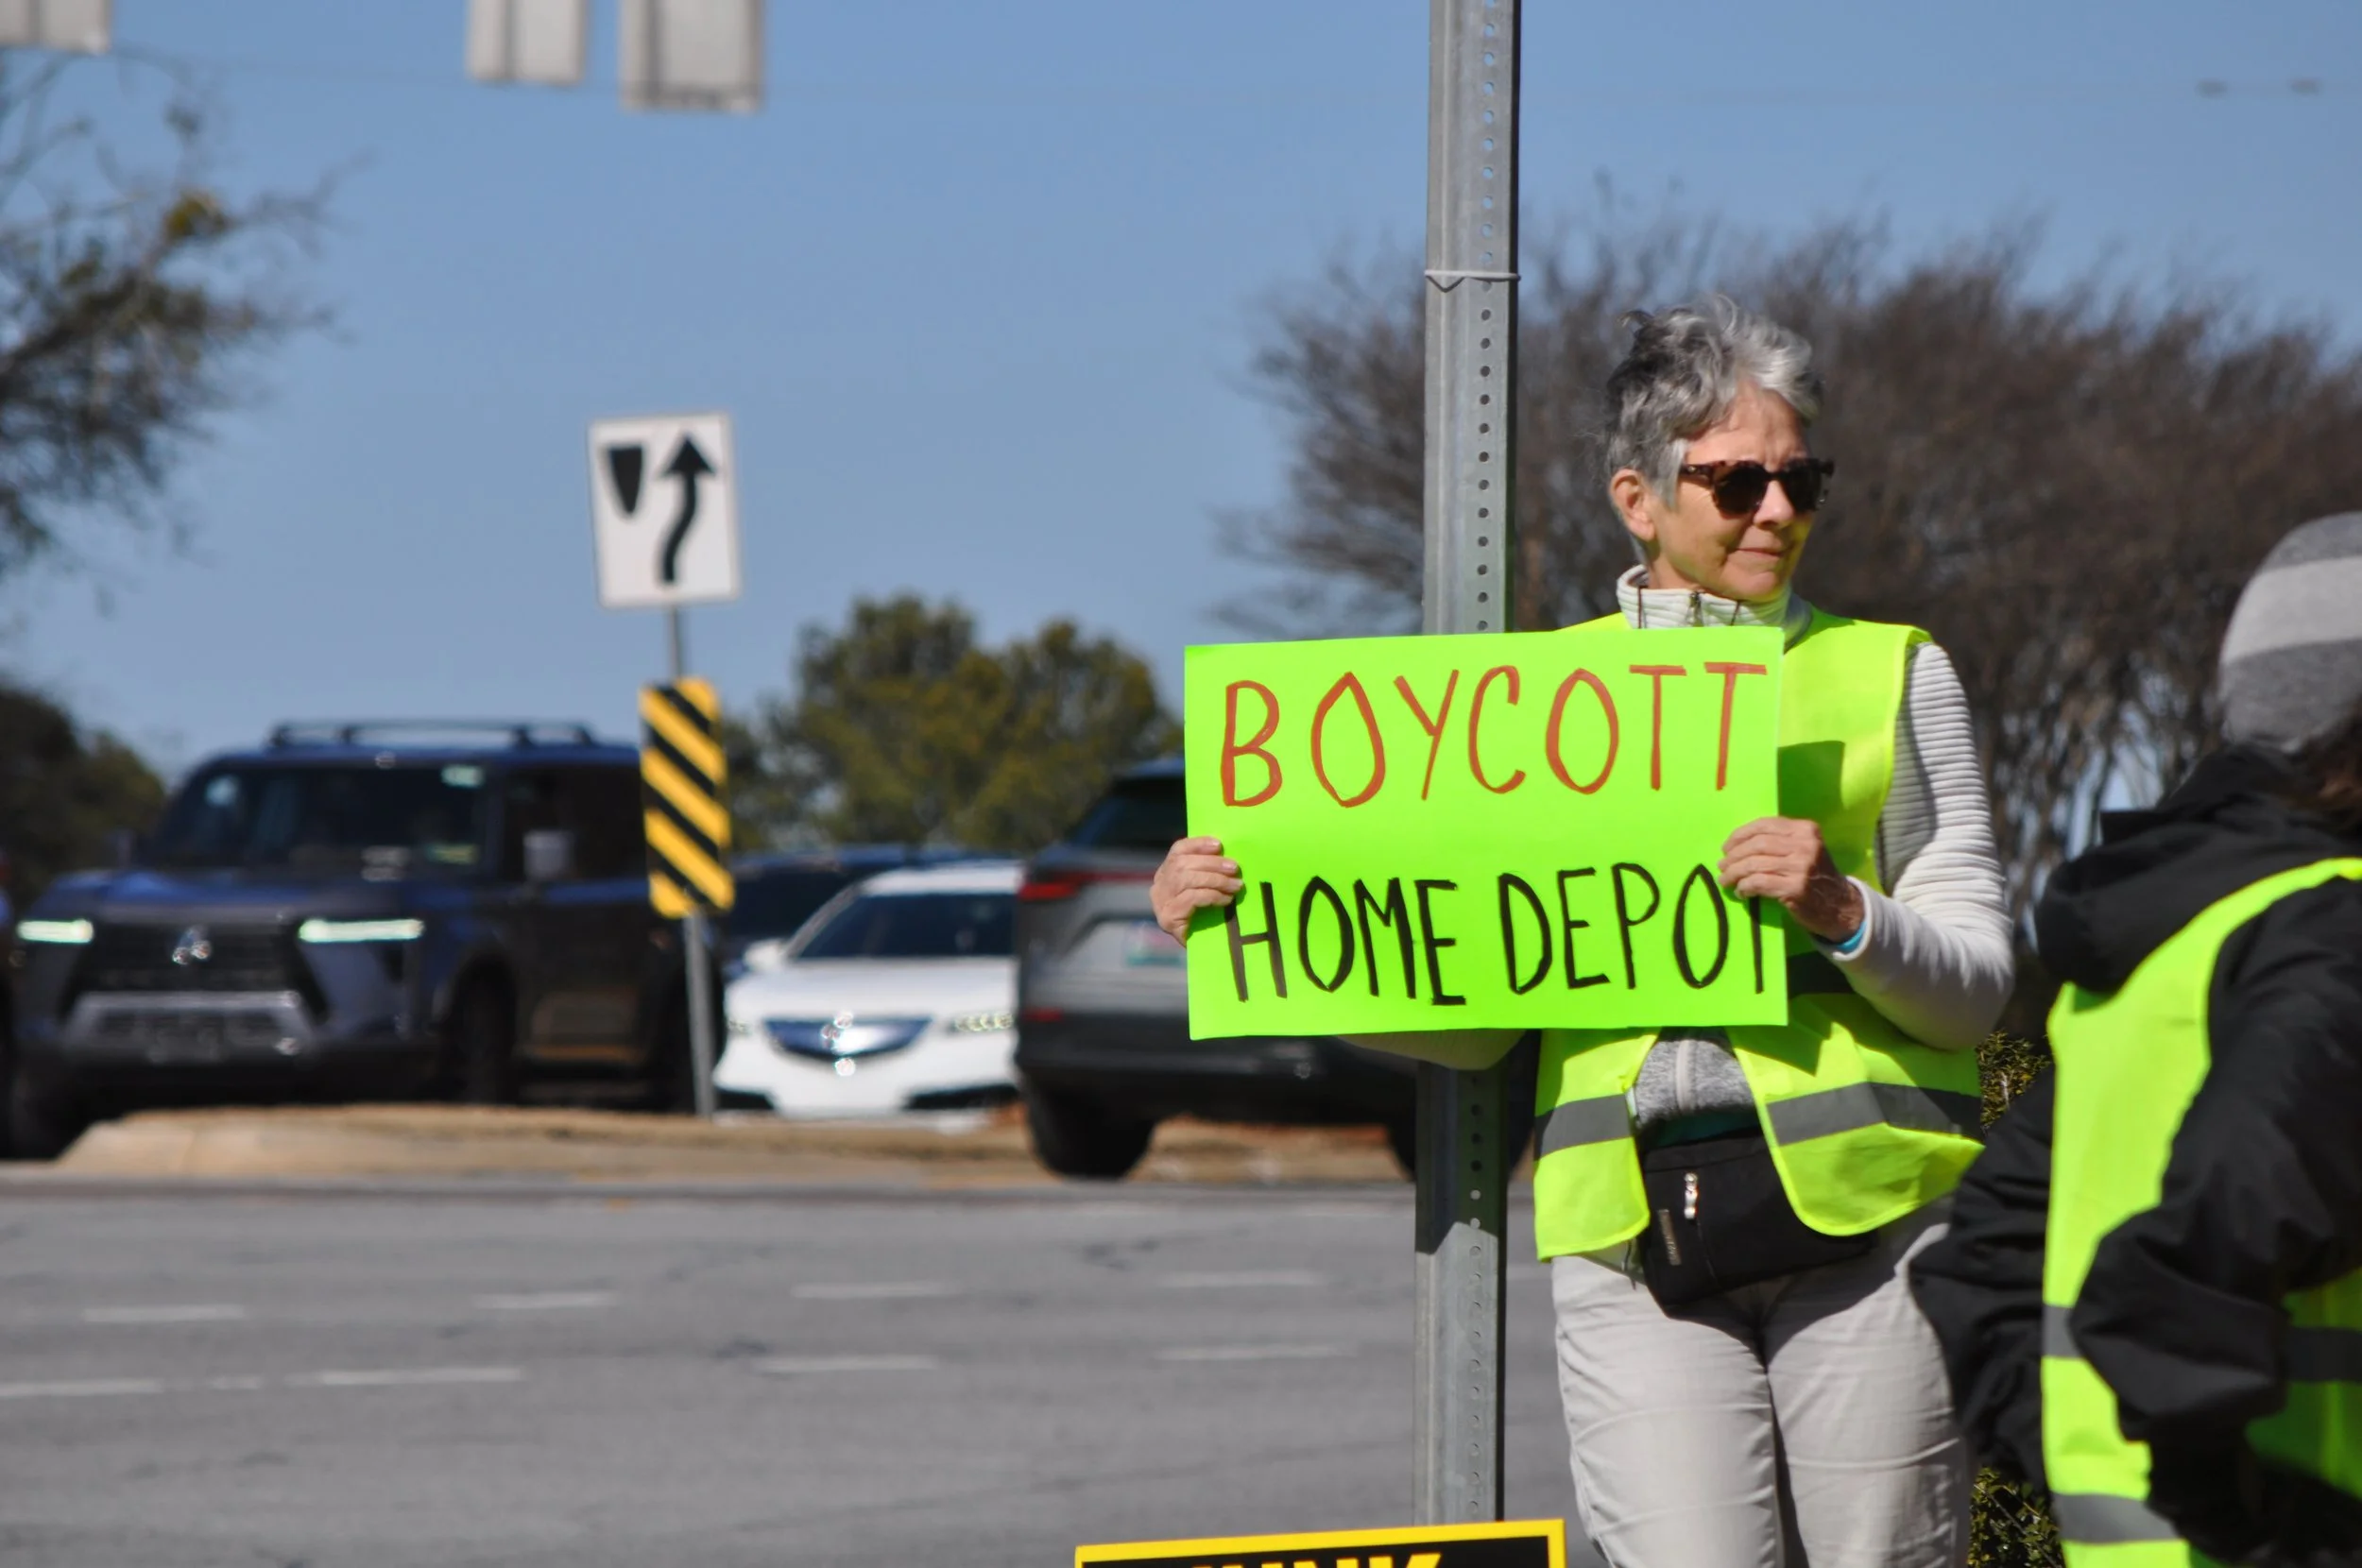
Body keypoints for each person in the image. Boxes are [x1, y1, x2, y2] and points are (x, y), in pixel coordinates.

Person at [1154, 297, 2013, 1568]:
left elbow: (1980, 992)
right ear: (1639, 497)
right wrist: (1254, 940)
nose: (1776, 511)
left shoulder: (1893, 671)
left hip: (1875, 1232)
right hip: (1628, 1236)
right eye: (1735, 483)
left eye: (1800, 478)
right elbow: (1477, 1021)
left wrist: (1844, 913)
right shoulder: (1534, 702)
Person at [1911, 514, 2362, 1568]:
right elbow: (2183, 1265)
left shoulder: (2180, 939)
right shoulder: (2332, 938)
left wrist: (2089, 1466)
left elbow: (1982, 1260)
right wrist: (2260, 1523)